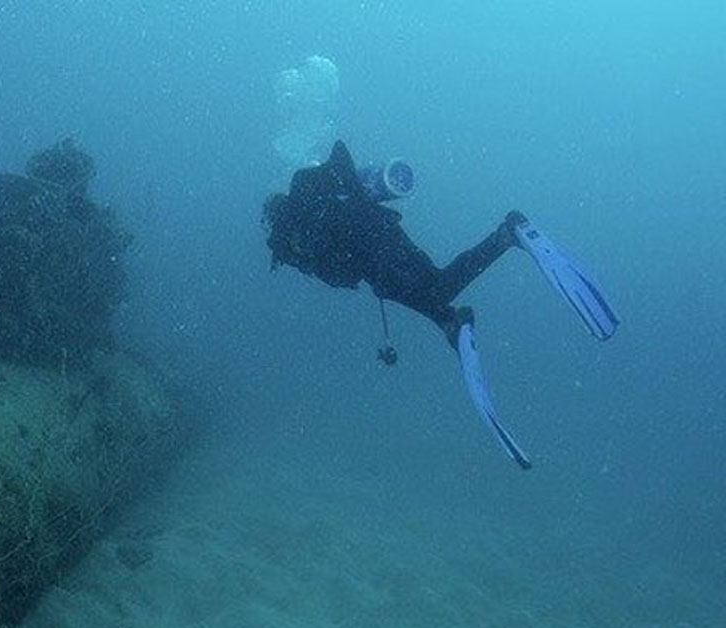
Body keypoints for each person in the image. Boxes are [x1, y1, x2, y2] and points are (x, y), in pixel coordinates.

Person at [263, 140, 620, 470]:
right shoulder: (313, 203)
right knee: (430, 286)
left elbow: (334, 269)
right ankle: (451, 321)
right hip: (382, 235)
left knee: (429, 289)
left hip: (373, 247)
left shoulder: (294, 222)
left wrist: (303, 249)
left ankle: (502, 241)